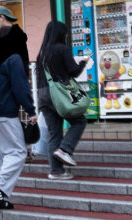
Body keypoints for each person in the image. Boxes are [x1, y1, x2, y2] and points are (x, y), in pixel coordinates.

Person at [0, 5, 36, 211]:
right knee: (17, 152)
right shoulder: (14, 57)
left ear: (3, 18)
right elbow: (21, 86)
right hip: (4, 112)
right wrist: (31, 110)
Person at [35, 20, 88, 180]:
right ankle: (65, 149)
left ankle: (56, 171)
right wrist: (83, 63)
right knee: (79, 122)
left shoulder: (42, 53)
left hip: (44, 96)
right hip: (61, 95)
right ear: (61, 34)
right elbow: (73, 71)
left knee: (54, 134)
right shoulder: (62, 49)